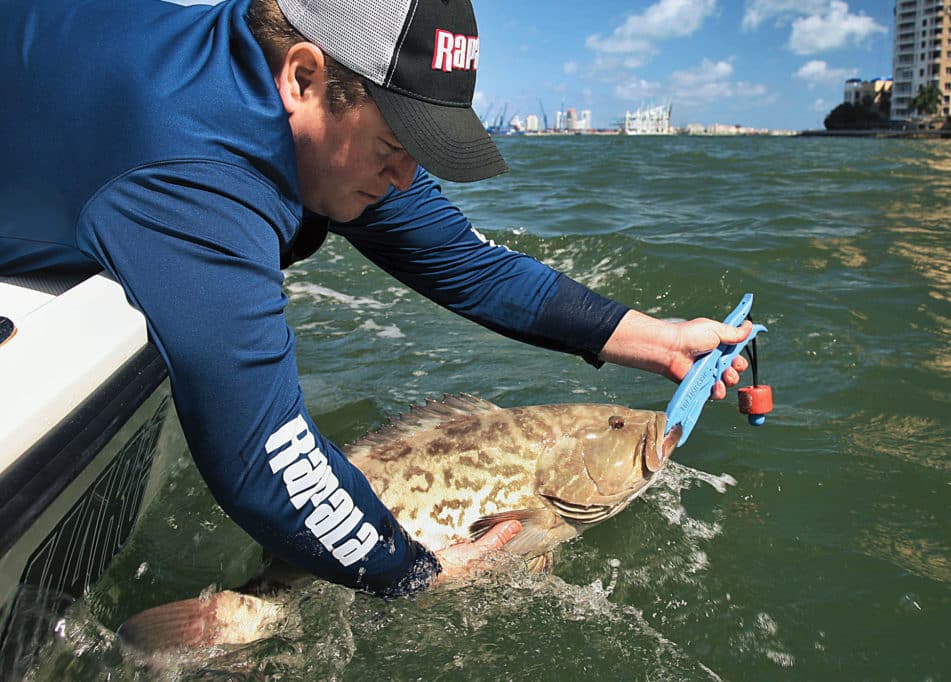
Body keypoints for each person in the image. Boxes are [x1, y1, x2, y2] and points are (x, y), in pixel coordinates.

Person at [0, 0, 750, 596]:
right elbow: (264, 462)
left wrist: (653, 338)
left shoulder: (312, 114)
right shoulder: (193, 181)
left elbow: (468, 265)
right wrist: (413, 573)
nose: (402, 182)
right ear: (302, 77)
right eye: (395, 150)